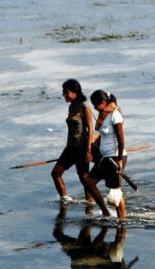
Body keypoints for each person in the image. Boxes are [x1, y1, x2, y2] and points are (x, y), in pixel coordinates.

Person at [51, 79, 110, 216]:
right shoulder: (71, 107)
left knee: (84, 178)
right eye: (63, 92)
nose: (64, 95)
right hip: (70, 148)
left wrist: (89, 150)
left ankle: (90, 206)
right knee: (56, 173)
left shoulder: (85, 106)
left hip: (82, 148)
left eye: (66, 92)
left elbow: (90, 129)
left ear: (75, 92)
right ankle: (64, 200)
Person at [88, 89, 127, 220]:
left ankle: (122, 220)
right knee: (89, 182)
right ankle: (105, 213)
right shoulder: (104, 115)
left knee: (115, 194)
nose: (94, 107)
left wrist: (120, 160)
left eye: (96, 104)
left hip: (115, 157)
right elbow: (102, 133)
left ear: (104, 102)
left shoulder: (115, 115)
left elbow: (121, 138)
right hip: (106, 158)